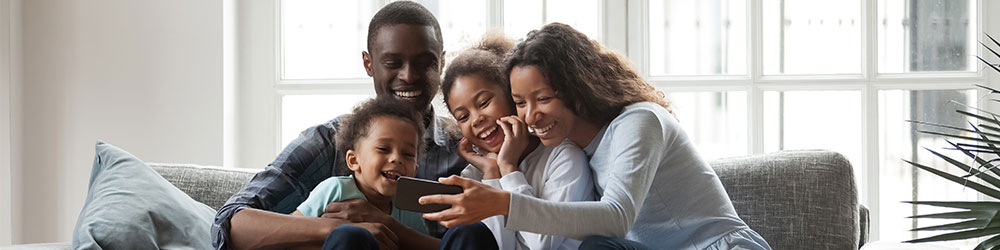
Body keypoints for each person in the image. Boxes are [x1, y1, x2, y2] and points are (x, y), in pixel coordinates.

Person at [419, 23, 773, 250]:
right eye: (520, 103)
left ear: (577, 88)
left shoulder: (640, 122)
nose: (531, 115)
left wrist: (502, 202)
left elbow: (616, 218)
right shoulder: (570, 148)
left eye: (543, 99)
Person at [211, 2, 485, 250]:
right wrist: (331, 227)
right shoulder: (328, 142)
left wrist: (389, 227)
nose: (409, 76)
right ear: (368, 64)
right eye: (392, 63)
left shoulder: (466, 148)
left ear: (441, 63)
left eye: (424, 63)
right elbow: (230, 223)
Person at [441, 31, 594, 250]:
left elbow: (543, 245)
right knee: (466, 233)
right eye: (463, 117)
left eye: (484, 103)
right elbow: (495, 244)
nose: (477, 119)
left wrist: (509, 170)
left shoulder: (564, 158)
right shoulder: (476, 173)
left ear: (512, 96)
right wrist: (492, 173)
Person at [287, 97, 436, 250]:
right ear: (353, 160)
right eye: (383, 149)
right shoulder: (335, 189)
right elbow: (291, 233)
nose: (397, 158)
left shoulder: (408, 209)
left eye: (408, 154)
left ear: (415, 170)